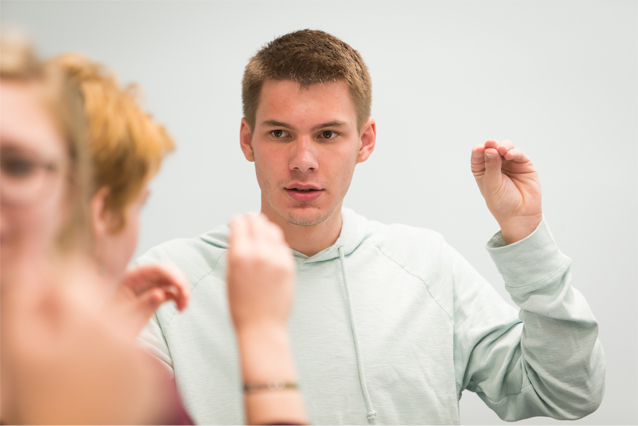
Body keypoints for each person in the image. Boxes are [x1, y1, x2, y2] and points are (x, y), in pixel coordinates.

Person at [137, 29, 606, 425]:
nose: (303, 161)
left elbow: (566, 393)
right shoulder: (168, 282)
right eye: (280, 133)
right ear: (248, 140)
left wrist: (526, 236)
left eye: (328, 134)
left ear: (364, 141)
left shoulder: (427, 266)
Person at [1, 38, 307, 425]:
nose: (303, 162)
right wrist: (264, 335)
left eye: (14, 166)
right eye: (20, 166)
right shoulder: (61, 373)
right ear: (98, 209)